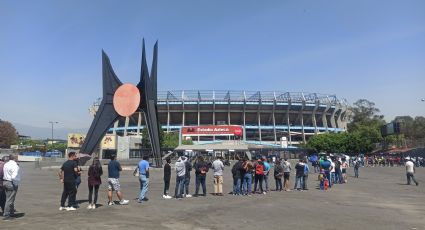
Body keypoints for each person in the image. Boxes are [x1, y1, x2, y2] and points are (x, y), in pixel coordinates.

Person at [2, 155, 20, 220]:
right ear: (15, 158)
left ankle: (11, 212)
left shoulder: (6, 164)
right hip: (11, 183)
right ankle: (6, 214)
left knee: (9, 198)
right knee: (10, 200)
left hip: (5, 182)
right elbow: (14, 177)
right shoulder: (15, 165)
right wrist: (16, 184)